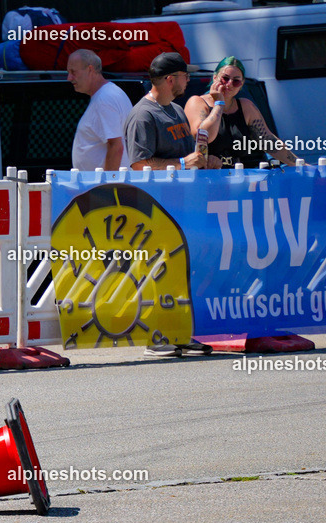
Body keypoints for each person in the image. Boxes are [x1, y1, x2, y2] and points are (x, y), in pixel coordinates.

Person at [124, 53, 215, 359]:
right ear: (170, 79)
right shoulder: (143, 115)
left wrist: (201, 158)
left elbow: (187, 154)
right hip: (154, 207)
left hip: (180, 205)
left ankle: (180, 332)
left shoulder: (175, 110)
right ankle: (155, 335)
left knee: (179, 270)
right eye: (184, 76)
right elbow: (139, 164)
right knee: (156, 269)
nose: (188, 81)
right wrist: (181, 163)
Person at [184, 56, 299, 168]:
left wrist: (299, 165)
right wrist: (219, 104)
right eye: (225, 78)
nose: (229, 84)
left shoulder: (245, 106)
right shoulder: (197, 102)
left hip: (236, 176)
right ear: (215, 78)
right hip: (205, 178)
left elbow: (268, 141)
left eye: (236, 81)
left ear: (241, 84)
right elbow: (204, 136)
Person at [67, 49, 132, 171]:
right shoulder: (109, 94)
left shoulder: (105, 99)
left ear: (90, 70)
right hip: (105, 186)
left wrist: (107, 185)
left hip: (106, 187)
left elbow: (116, 147)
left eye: (73, 72)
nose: (69, 78)